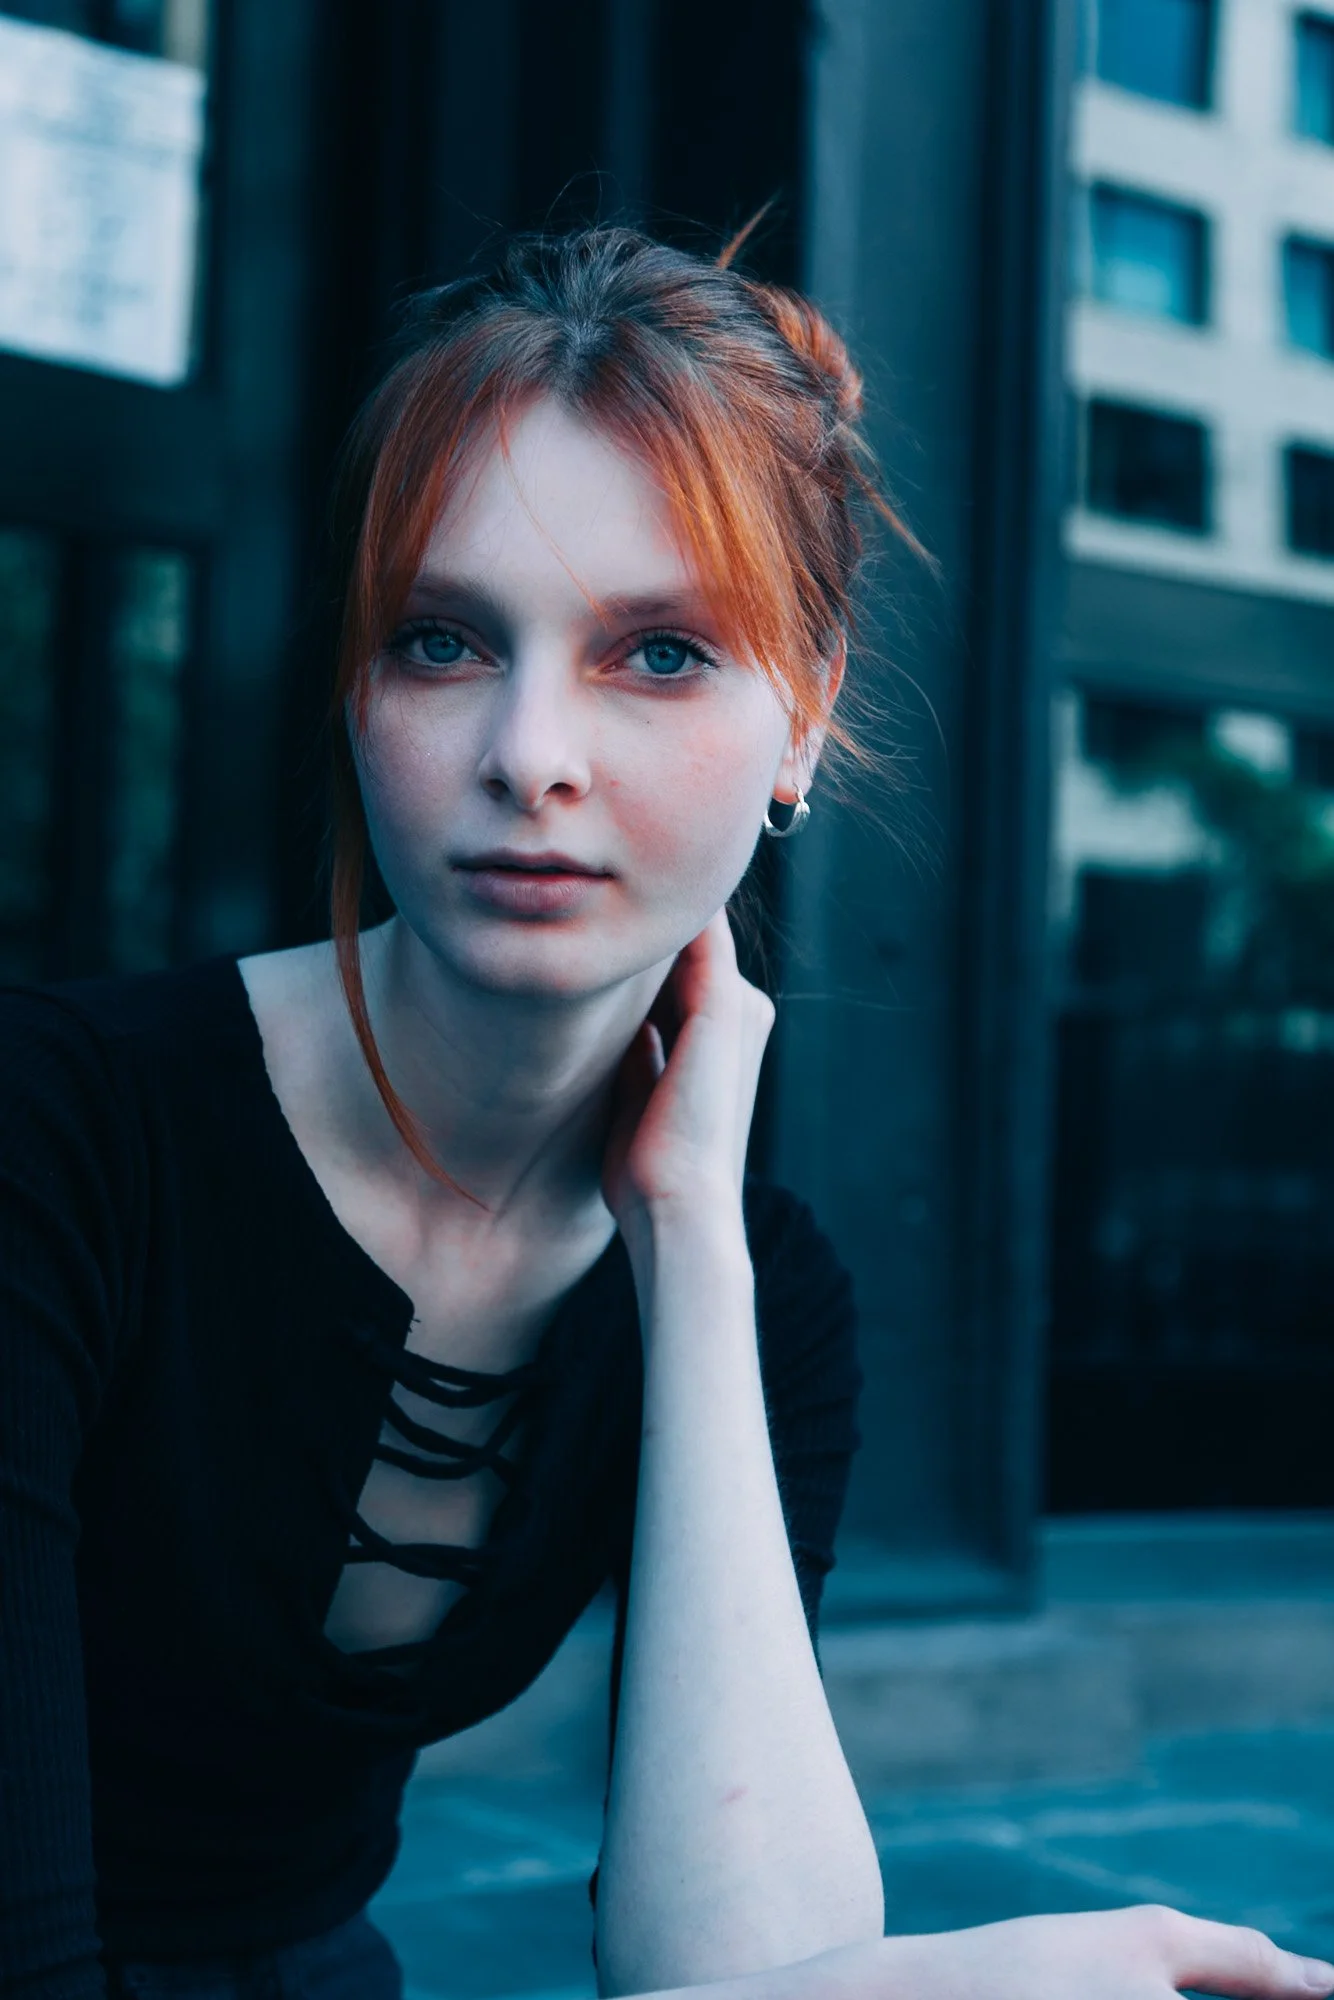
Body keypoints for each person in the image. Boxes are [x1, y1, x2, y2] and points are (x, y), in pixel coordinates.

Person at [0, 223, 1329, 2000]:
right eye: (447, 640)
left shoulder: (767, 1284)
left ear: (803, 722)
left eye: (659, 655)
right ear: (357, 685)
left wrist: (690, 1239)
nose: (529, 752)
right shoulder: (55, 1138)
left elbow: (735, 1963)